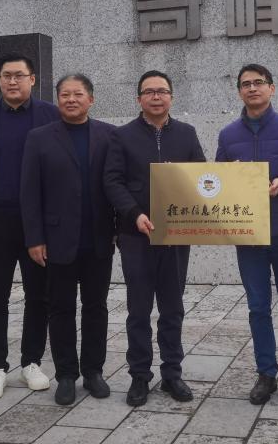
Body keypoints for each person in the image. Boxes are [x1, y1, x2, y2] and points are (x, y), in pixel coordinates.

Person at [215, 64, 278, 406]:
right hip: (248, 234)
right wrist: (226, 178)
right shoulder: (228, 135)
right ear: (239, 92)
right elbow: (216, 181)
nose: (252, 88)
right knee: (257, 306)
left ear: (272, 88)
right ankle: (265, 373)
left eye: (259, 82)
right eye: (246, 84)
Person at [103, 70, 206, 407]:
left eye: (162, 91)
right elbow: (113, 181)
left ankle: (172, 373)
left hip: (176, 234)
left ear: (171, 97)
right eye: (149, 91)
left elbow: (201, 176)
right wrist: (135, 214)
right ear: (139, 99)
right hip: (136, 235)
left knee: (173, 308)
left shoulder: (187, 134)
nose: (156, 96)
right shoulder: (122, 136)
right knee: (139, 309)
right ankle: (139, 376)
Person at [20, 74, 117, 405]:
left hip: (98, 238)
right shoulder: (39, 138)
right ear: (58, 99)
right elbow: (30, 192)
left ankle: (93, 371)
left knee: (96, 307)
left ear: (91, 99)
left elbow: (118, 183)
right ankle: (65, 374)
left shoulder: (109, 135)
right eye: (64, 94)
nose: (71, 99)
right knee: (60, 308)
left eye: (78, 94)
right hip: (57, 239)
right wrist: (34, 238)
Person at [0, 53, 59, 400]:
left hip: (38, 223)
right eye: (6, 75)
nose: (12, 81)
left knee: (39, 294)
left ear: (32, 79)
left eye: (19, 75)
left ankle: (31, 362)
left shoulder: (50, 115)